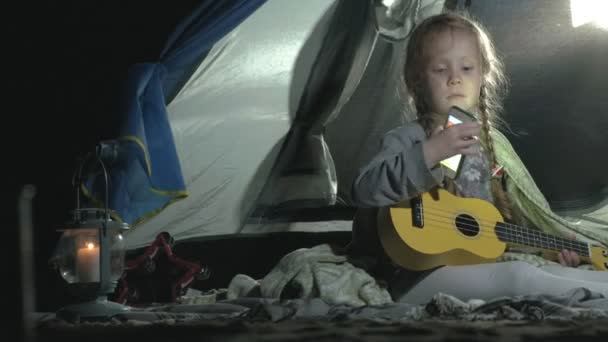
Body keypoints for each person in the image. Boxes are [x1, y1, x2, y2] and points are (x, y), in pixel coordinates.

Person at [347, 11, 608, 304]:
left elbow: (489, 233)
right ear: (416, 80)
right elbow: (364, 189)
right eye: (440, 69)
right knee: (520, 277)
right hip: (417, 274)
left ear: (484, 76)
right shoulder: (408, 138)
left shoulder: (489, 147)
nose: (455, 78)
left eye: (467, 68)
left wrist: (549, 249)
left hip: (477, 267)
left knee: (559, 275)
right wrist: (431, 151)